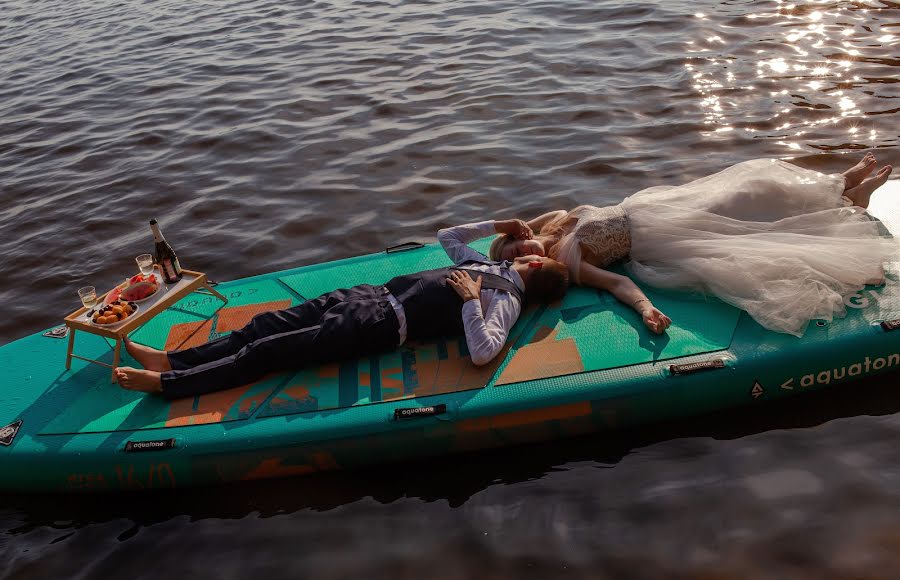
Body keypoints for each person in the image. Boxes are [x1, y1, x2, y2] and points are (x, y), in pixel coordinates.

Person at [115, 220, 570, 399]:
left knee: (271, 351)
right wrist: (497, 224)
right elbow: (448, 236)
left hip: (379, 324)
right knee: (262, 324)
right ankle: (172, 359)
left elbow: (484, 351)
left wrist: (471, 301)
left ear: (533, 266)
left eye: (534, 253)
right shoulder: (484, 262)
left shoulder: (505, 300)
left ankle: (169, 384)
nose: (528, 248)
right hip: (365, 295)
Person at [489, 154, 895, 336]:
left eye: (514, 248)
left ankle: (840, 182)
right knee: (751, 212)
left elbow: (465, 235)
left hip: (657, 206)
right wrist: (646, 308)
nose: (523, 255)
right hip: (661, 237)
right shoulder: (571, 264)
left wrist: (511, 228)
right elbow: (617, 285)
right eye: (516, 262)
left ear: (518, 237)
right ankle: (851, 199)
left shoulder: (557, 222)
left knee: (755, 182)